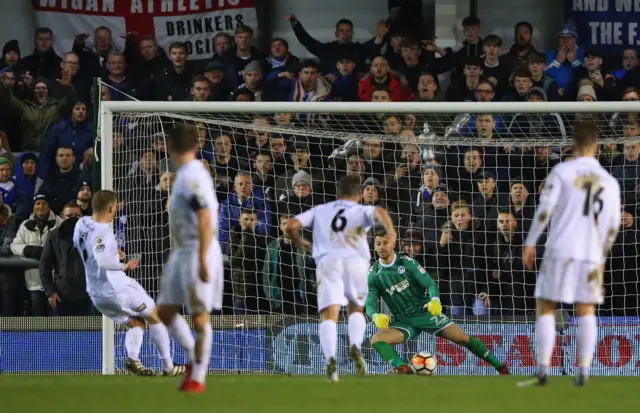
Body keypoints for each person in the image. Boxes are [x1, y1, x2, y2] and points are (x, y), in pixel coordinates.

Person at [518, 121, 621, 387]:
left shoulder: (562, 171)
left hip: (560, 249)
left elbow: (544, 211)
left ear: (573, 145)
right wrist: (602, 257)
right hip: (591, 253)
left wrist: (530, 242)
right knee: (586, 309)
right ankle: (584, 371)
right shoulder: (609, 181)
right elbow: (612, 226)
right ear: (596, 146)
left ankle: (543, 369)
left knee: (547, 306)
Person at [283, 175, 397, 382]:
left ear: (337, 195)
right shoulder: (361, 210)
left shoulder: (321, 210)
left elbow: (290, 225)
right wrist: (391, 232)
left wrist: (300, 242)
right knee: (356, 309)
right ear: (358, 195)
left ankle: (330, 361)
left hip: (329, 262)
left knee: (329, 314)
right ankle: (355, 346)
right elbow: (380, 212)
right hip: (356, 263)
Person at [366, 228, 511, 375]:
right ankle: (403, 368)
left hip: (425, 312)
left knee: (463, 339)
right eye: (378, 244)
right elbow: (370, 301)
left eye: (385, 243)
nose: (381, 247)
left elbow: (430, 284)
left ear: (393, 244)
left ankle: (500, 366)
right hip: (402, 320)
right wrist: (374, 315)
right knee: (377, 339)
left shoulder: (408, 263)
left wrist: (434, 300)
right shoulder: (373, 274)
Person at [73, 190, 186, 377]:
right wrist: (123, 264)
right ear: (111, 207)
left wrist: (114, 252)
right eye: (115, 206)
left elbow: (85, 248)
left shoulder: (81, 223)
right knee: (155, 315)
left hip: (96, 294)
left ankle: (133, 358)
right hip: (117, 289)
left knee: (136, 322)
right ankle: (168, 366)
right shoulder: (104, 233)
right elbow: (102, 261)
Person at [156, 124, 224, 393]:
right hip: (181, 250)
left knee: (199, 316)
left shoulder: (193, 175)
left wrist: (203, 258)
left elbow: (205, 216)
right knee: (164, 310)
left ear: (170, 147)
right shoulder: (184, 175)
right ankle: (193, 359)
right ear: (197, 145)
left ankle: (198, 376)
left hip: (198, 248)